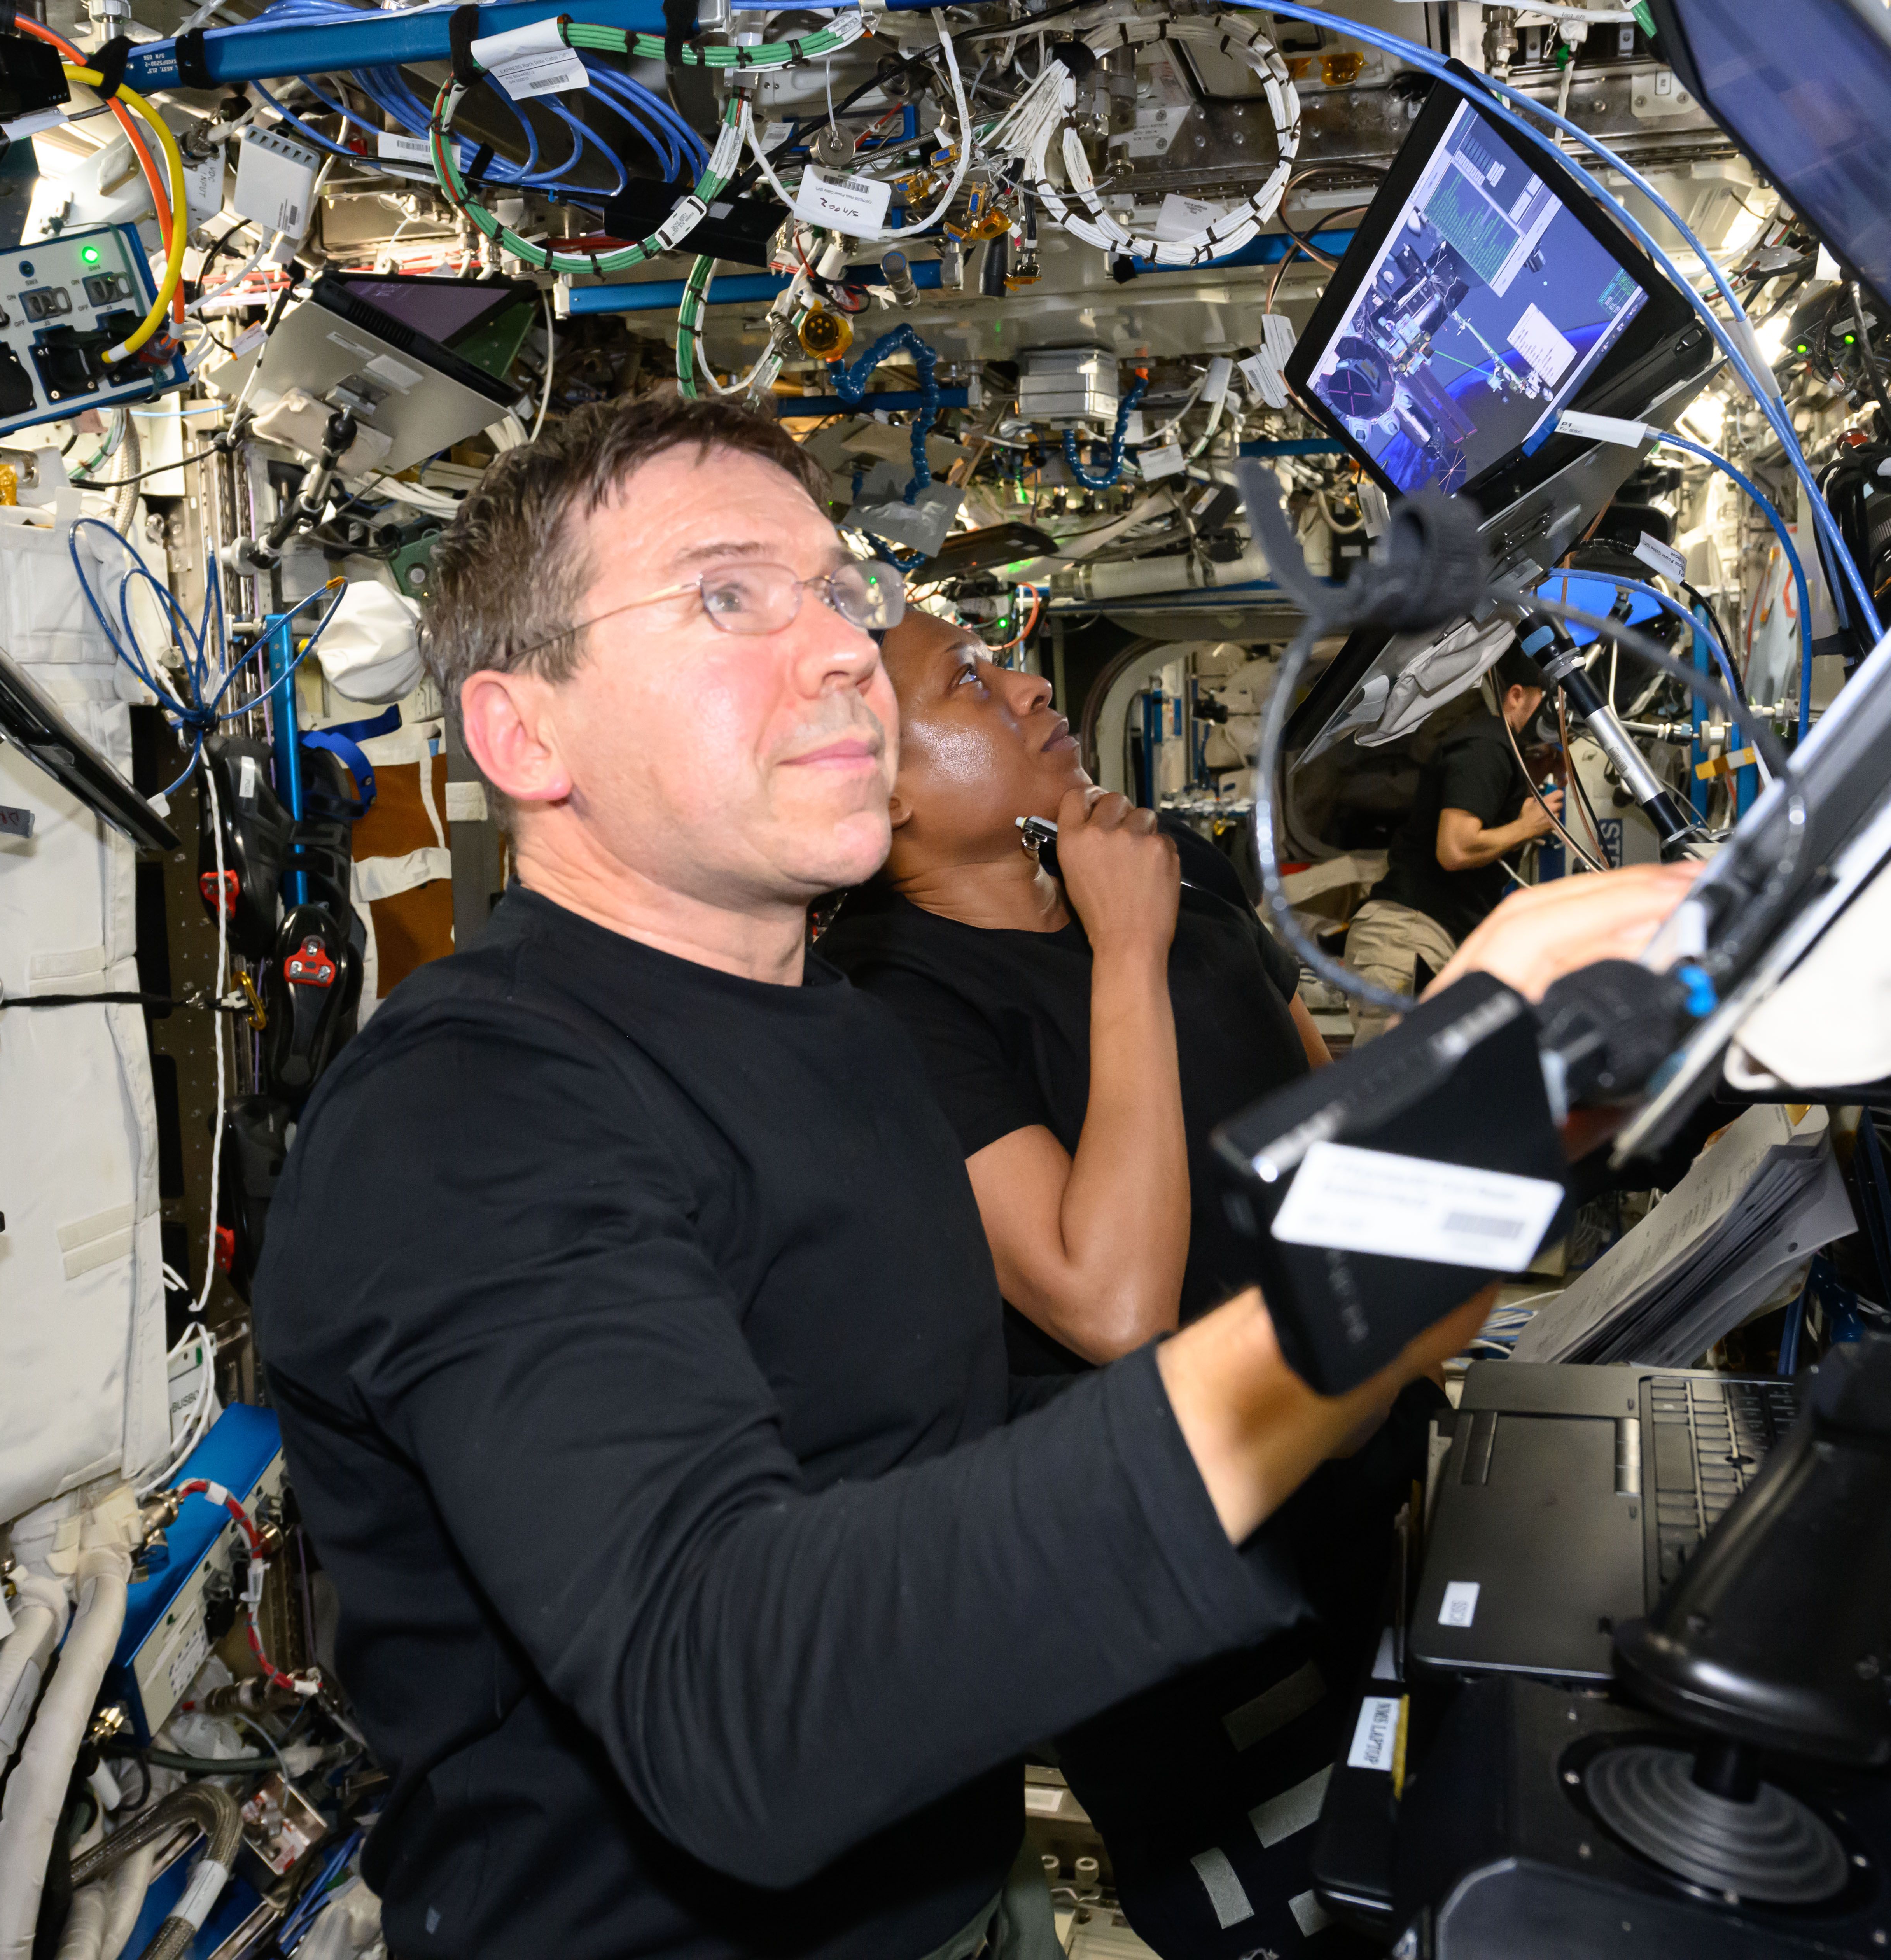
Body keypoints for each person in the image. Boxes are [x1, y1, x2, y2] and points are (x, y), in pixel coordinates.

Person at [254, 394, 1694, 1960]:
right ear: (524, 731)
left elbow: (933, 1463)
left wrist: (1484, 1170)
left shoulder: (837, 1030)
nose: (838, 650)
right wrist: (1361, 1273)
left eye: (842, 594)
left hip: (955, 1884)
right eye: (729, 595)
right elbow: (736, 1705)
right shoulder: (471, 1113)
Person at [814, 608, 1406, 1955]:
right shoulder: (893, 1004)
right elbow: (1108, 1300)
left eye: (1005, 660)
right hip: (1197, 1624)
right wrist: (1121, 950)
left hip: (1373, 1501)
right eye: (967, 682)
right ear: (880, 786)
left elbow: (1323, 1113)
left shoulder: (1172, 868)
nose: (1026, 687)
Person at [1341, 646, 1560, 1041]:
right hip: (1405, 939)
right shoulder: (1486, 748)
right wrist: (1527, 827)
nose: (1556, 715)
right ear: (1515, 695)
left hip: (1425, 939)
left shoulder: (1500, 754)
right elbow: (1455, 849)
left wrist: (1536, 773)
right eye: (1548, 702)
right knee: (1391, 1088)